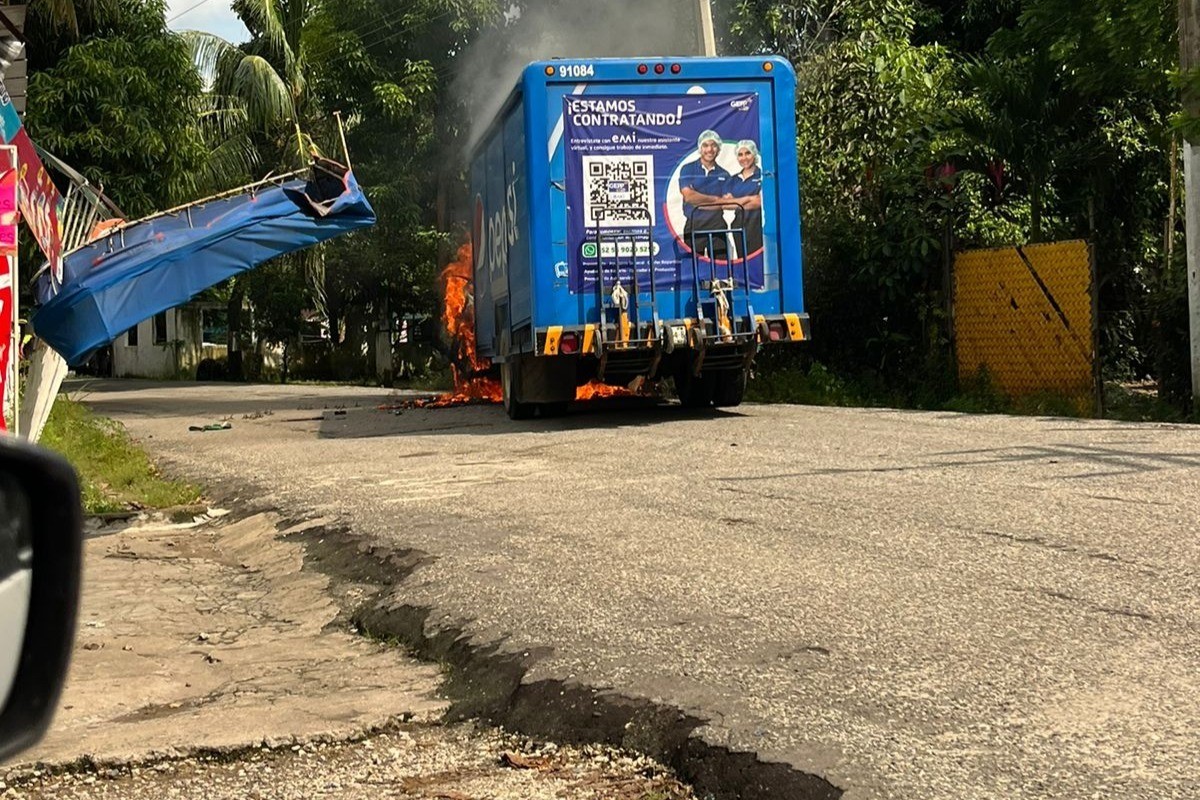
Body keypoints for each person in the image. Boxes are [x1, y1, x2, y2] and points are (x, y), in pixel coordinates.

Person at [679, 130, 732, 257]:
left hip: (717, 226)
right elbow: (689, 196)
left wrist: (699, 201)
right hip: (694, 225)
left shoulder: (724, 174)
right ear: (700, 148)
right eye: (705, 145)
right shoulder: (688, 169)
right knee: (693, 269)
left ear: (718, 149)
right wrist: (716, 199)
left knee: (721, 269)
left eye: (713, 145)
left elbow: (727, 203)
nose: (710, 149)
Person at [726, 139, 763, 256]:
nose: (744, 158)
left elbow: (759, 202)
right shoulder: (733, 179)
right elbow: (726, 204)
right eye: (740, 155)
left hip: (757, 226)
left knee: (758, 263)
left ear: (754, 154)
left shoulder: (762, 176)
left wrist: (736, 202)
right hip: (739, 227)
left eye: (748, 153)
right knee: (743, 262)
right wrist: (750, 198)